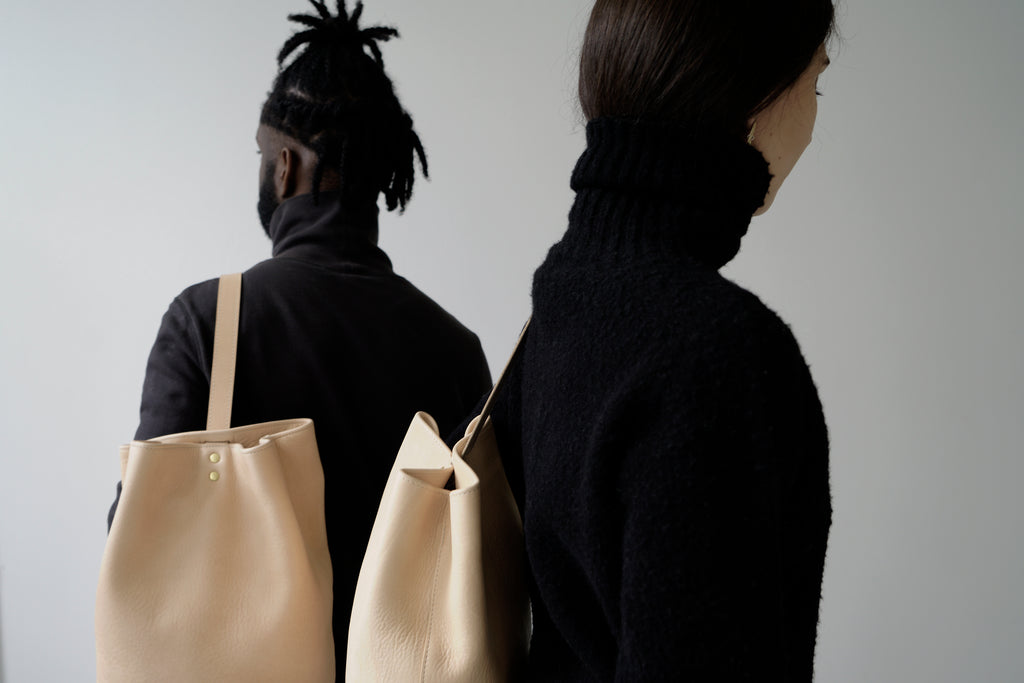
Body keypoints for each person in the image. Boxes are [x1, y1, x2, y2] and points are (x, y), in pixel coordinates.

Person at [107, 0, 491, 671]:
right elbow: (478, 574)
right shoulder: (456, 351)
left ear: (285, 166)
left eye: (264, 154)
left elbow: (134, 533)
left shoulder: (207, 320)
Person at [485, 0, 837, 679]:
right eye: (814, 84)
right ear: (753, 96)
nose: (814, 129)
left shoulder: (563, 295)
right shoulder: (721, 352)